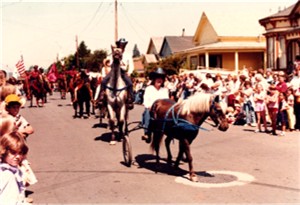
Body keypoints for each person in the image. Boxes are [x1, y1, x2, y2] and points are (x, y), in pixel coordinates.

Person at [98, 38, 134, 110]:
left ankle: (130, 99)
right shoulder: (113, 53)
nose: (122, 46)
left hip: (123, 72)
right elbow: (108, 62)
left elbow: (131, 65)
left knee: (130, 83)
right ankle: (101, 97)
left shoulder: (128, 55)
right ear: (118, 44)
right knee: (103, 81)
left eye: (124, 45)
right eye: (121, 44)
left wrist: (129, 72)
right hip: (113, 71)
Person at [0, 131, 29, 204]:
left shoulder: (14, 170)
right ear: (4, 152)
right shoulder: (7, 175)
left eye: (20, 153)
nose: (18, 156)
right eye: (13, 152)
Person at [141, 67, 169, 143]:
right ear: (154, 79)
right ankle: (147, 132)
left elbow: (166, 101)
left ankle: (170, 132)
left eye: (161, 78)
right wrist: (149, 106)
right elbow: (145, 100)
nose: (159, 80)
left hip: (161, 112)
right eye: (157, 78)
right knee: (146, 112)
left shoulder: (165, 90)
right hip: (151, 110)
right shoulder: (149, 88)